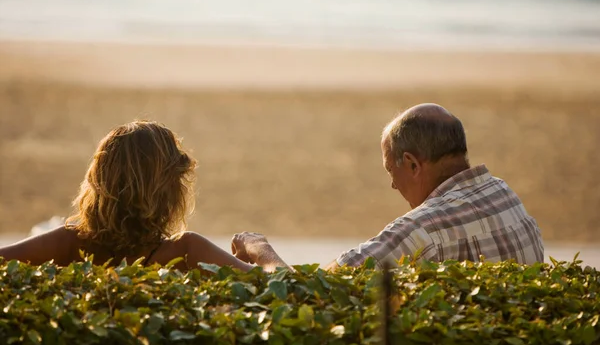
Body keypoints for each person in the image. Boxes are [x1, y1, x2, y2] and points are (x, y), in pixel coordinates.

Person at [231, 103, 544, 270]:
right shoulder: (506, 196)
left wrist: (261, 251)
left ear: (412, 163)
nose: (393, 185)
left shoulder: (420, 230)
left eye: (390, 170)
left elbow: (306, 293)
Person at [0, 120, 269, 272]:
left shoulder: (68, 243)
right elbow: (293, 292)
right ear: (168, 190)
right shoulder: (187, 250)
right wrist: (261, 250)